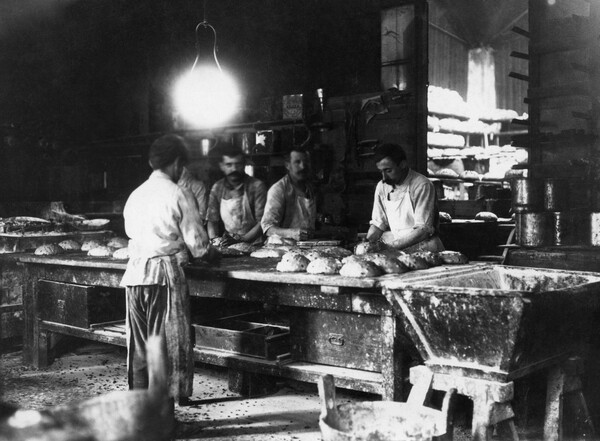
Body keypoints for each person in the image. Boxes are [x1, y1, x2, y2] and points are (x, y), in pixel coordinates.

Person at [120, 134, 218, 405]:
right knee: (164, 348)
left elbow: (132, 233)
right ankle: (163, 421)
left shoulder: (136, 194)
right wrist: (212, 254)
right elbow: (198, 245)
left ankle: (141, 416)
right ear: (177, 164)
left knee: (139, 349)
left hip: (135, 276)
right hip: (163, 277)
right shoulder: (178, 192)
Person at [366, 143, 444, 252]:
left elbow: (423, 230)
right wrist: (367, 244)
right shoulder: (382, 186)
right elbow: (378, 224)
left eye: (388, 171)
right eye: (381, 171)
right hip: (398, 249)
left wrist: (390, 247)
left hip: (425, 249)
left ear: (402, 164)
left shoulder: (421, 185)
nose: (384, 178)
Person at [206, 143, 267, 245]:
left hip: (256, 244)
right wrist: (215, 241)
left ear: (244, 165)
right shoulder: (217, 188)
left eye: (238, 164)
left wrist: (241, 240)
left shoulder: (256, 186)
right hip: (228, 244)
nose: (234, 169)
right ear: (222, 166)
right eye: (229, 165)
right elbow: (212, 221)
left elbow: (262, 222)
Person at [261, 146, 317, 241]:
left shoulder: (310, 187)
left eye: (306, 162)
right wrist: (291, 233)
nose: (303, 166)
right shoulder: (278, 189)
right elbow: (267, 228)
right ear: (287, 165)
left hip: (306, 247)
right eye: (297, 162)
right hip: (281, 249)